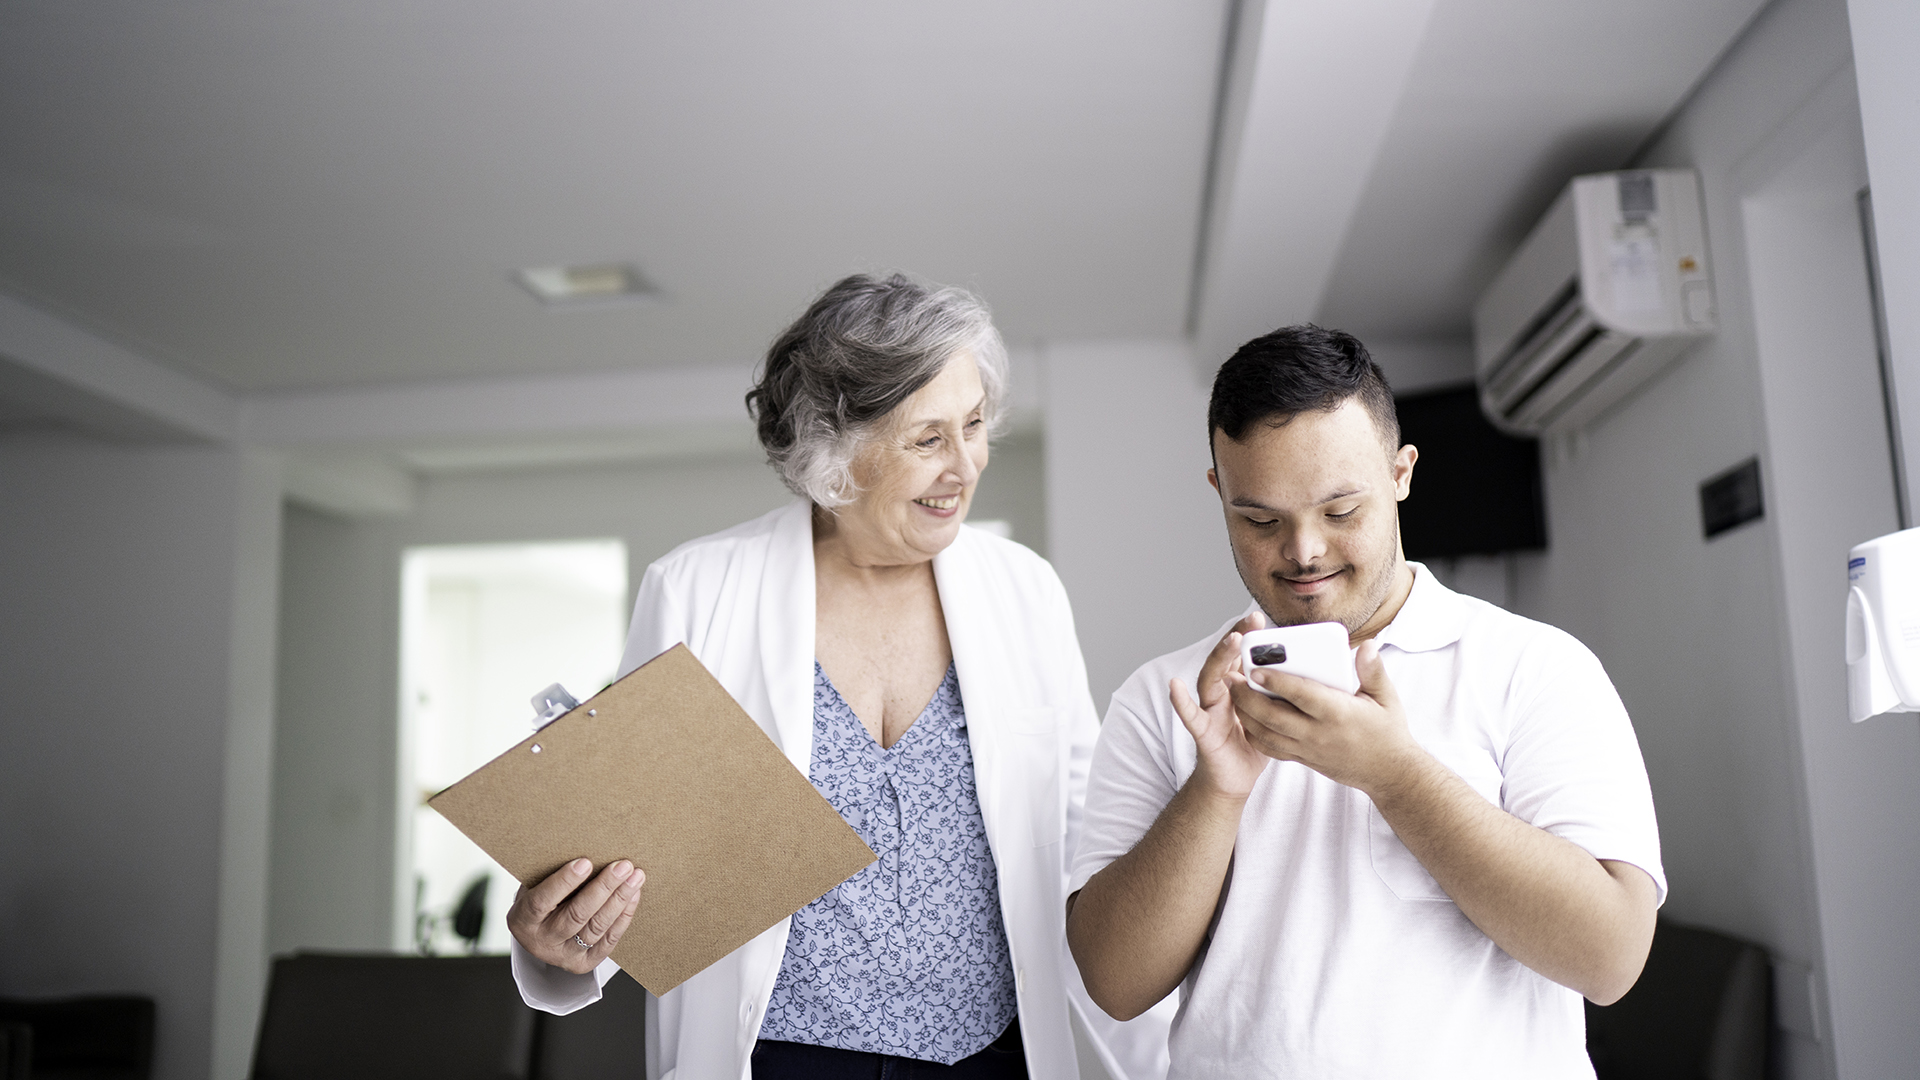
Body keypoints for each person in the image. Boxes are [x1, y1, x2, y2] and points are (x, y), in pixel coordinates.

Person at [505, 273, 1169, 1080]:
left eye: (974, 425)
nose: (967, 465)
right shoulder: (697, 591)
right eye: (928, 440)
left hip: (994, 1057)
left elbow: (1082, 835)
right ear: (833, 453)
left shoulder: (1023, 590)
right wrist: (562, 946)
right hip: (778, 1058)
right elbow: (640, 862)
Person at [1064, 325, 1665, 1078]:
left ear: (1401, 473)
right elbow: (1114, 987)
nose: (1304, 551)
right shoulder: (1169, 698)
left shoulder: (1534, 667)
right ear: (1219, 491)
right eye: (1261, 520)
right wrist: (1215, 791)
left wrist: (1396, 775)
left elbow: (1610, 958)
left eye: (1340, 510)